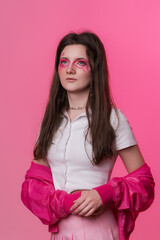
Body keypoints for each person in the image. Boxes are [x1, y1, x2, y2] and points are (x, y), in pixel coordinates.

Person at [21, 31, 155, 240]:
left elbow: (144, 183)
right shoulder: (50, 120)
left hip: (100, 231)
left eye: (80, 62)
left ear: (95, 70)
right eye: (64, 62)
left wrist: (106, 194)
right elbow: (32, 184)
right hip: (61, 231)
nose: (70, 69)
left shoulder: (113, 118)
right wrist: (64, 203)